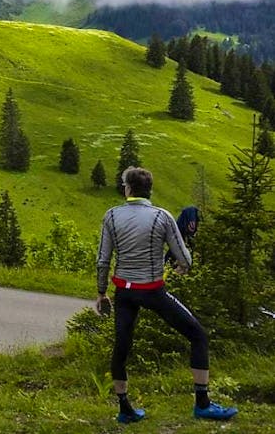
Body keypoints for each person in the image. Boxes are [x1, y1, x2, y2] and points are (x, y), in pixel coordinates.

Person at [96, 166, 237, 423]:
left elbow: (103, 259)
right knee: (197, 335)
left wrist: (101, 292)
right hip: (152, 291)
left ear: (127, 189)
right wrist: (183, 266)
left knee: (122, 346)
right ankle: (202, 403)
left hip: (123, 292)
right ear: (149, 190)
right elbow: (184, 257)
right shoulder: (161, 216)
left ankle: (124, 408)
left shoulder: (111, 216)